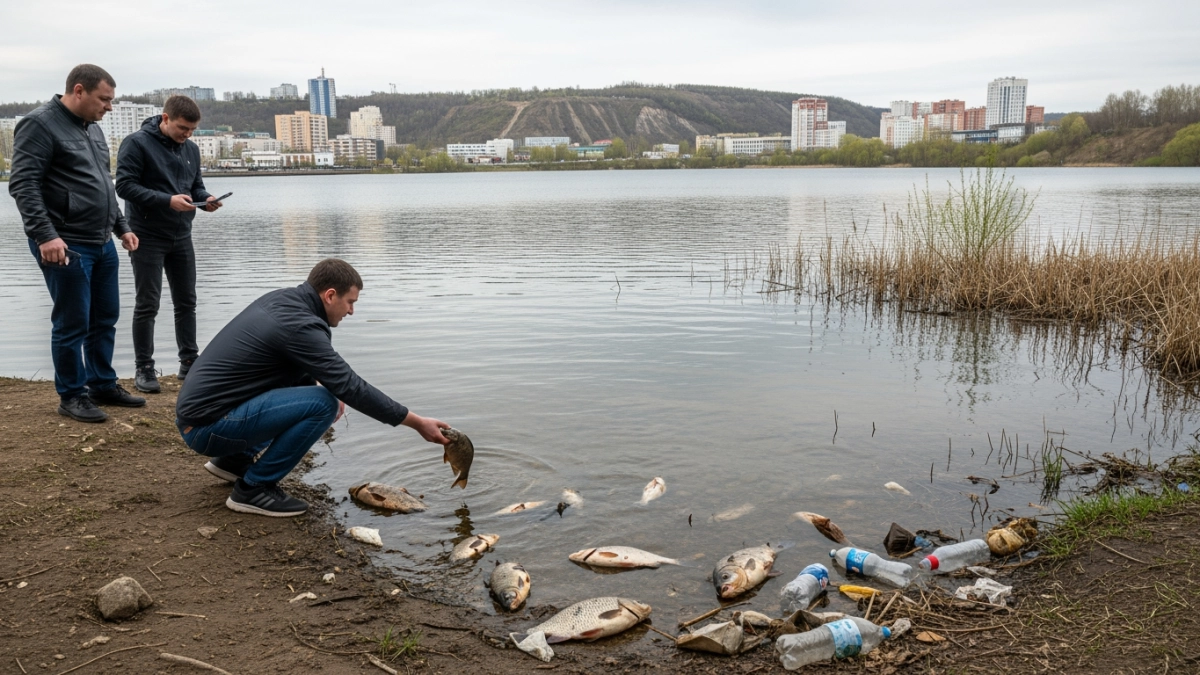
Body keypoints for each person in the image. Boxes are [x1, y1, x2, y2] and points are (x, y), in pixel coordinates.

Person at [175, 258, 449, 517]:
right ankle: (253, 489)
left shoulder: (285, 301)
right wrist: (416, 422)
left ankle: (233, 462)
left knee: (324, 394)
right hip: (208, 429)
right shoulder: (300, 325)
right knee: (324, 403)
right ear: (330, 295)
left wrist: (328, 386)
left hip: (202, 419)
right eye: (350, 302)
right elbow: (351, 386)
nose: (351, 311)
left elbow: (296, 365)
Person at [8, 64, 145, 423]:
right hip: (64, 243)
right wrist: (46, 235)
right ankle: (71, 395)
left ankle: (102, 384)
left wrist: (122, 227)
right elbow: (23, 185)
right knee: (72, 322)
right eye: (104, 99)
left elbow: (104, 185)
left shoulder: (94, 129)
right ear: (79, 90)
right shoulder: (39, 124)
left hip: (101, 241)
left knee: (105, 317)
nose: (109, 107)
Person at [115, 94, 223, 393]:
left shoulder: (191, 149)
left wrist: (206, 200)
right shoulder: (136, 143)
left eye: (192, 130)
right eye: (182, 128)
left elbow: (195, 186)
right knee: (147, 303)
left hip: (182, 235)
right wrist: (167, 200)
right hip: (146, 235)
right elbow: (124, 186)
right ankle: (144, 368)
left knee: (187, 301)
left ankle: (189, 362)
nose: (187, 135)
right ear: (165, 118)